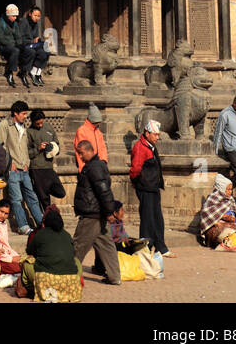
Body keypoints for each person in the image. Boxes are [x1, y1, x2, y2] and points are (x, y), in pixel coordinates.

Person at [72, 139, 121, 285]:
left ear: (88, 150)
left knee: (78, 246)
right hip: (98, 213)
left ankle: (69, 275)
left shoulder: (94, 167)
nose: (80, 157)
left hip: (92, 214)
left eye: (81, 153)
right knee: (106, 246)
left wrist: (109, 212)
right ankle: (114, 277)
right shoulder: (96, 165)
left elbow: (104, 191)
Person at [19, 205, 84, 302]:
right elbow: (72, 253)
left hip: (47, 280)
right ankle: (67, 291)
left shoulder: (40, 234)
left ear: (44, 224)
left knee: (26, 262)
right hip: (70, 282)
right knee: (76, 261)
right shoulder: (67, 235)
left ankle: (33, 288)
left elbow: (30, 252)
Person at [0, 100, 43, 235]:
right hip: (13, 169)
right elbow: (1, 146)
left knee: (32, 197)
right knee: (16, 199)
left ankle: (41, 223)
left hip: (24, 168)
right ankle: (23, 226)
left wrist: (27, 162)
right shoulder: (5, 125)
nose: (25, 116)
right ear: (15, 113)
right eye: (23, 114)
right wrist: (9, 163)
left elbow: (24, 147)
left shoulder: (23, 127)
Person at [130, 119, 171, 257]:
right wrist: (138, 182)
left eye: (158, 135)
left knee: (157, 218)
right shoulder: (140, 147)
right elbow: (135, 169)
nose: (157, 138)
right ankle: (145, 248)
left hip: (153, 187)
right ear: (147, 133)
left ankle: (160, 247)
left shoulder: (150, 146)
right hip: (145, 188)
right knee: (147, 219)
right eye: (155, 135)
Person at [198, 175, 236, 250]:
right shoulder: (213, 198)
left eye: (231, 190)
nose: (230, 192)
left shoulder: (230, 200)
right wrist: (223, 217)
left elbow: (235, 214)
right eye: (228, 189)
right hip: (216, 227)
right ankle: (224, 242)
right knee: (225, 233)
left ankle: (232, 240)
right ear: (221, 189)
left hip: (229, 225)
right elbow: (206, 213)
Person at [0, 196, 23, 288]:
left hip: (6, 255)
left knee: (23, 262)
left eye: (6, 213)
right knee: (21, 267)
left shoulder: (3, 223)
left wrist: (15, 255)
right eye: (1, 212)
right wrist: (11, 259)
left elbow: (6, 244)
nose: (3, 215)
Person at [28, 134, 66, 212]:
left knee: (61, 192)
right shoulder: (29, 132)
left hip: (49, 167)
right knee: (45, 200)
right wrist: (39, 148)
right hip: (37, 169)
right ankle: (47, 216)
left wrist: (52, 147)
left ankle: (41, 190)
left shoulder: (48, 128)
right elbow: (27, 153)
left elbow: (57, 146)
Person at [16, 6, 51, 85]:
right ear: (30, 14)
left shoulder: (36, 24)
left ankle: (36, 73)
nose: (37, 18)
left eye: (38, 16)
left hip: (32, 45)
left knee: (45, 51)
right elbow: (19, 39)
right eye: (35, 15)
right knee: (31, 52)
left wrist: (39, 41)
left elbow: (35, 37)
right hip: (23, 46)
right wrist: (32, 41)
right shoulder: (23, 22)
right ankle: (23, 73)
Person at [0, 3, 22, 86]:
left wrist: (19, 44)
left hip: (13, 45)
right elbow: (1, 39)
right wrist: (13, 44)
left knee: (27, 50)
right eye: (13, 16)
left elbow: (18, 37)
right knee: (15, 51)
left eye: (16, 16)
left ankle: (24, 72)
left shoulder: (15, 24)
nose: (15, 18)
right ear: (8, 15)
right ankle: (9, 72)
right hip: (4, 47)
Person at [73, 105, 108, 170]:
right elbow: (81, 151)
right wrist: (83, 168)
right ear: (92, 120)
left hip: (98, 164)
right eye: (96, 122)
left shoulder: (98, 132)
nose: (98, 124)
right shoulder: (82, 131)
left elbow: (103, 148)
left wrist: (103, 161)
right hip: (88, 165)